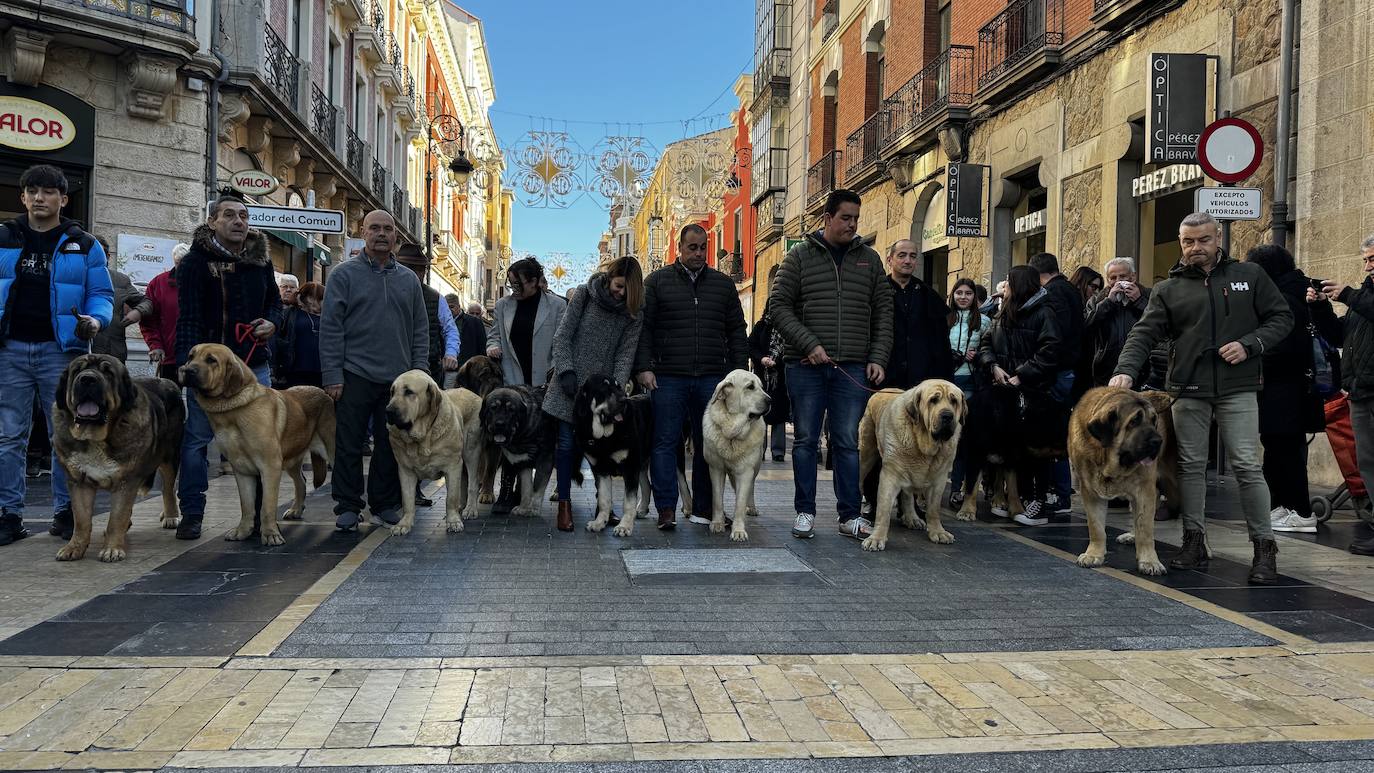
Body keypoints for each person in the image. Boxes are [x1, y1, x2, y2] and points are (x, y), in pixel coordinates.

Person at [1112, 212, 1293, 585]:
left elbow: (1281, 318)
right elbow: (1143, 333)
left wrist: (1249, 345)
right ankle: (1193, 541)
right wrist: (1126, 369)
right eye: (1187, 242)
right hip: (1187, 388)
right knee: (1191, 466)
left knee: (1246, 464)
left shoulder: (1249, 276)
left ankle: (1264, 547)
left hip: (1238, 385)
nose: (1195, 248)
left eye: (1203, 240)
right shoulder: (1168, 289)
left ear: (1217, 239)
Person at [0, 164, 114, 546]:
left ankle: (67, 512)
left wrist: (96, 321)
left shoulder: (83, 244)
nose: (39, 198)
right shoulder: (4, 237)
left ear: (63, 199)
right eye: (32, 191)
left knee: (63, 436)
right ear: (23, 197)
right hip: (9, 349)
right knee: (8, 436)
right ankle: (8, 514)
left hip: (61, 353)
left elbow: (101, 294)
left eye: (48, 192)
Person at [769, 189, 893, 540]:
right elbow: (778, 307)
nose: (852, 224)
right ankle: (804, 512)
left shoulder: (869, 260)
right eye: (845, 218)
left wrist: (878, 357)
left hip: (852, 366)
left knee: (847, 442)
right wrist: (809, 344)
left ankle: (849, 515)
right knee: (806, 440)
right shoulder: (799, 257)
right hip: (804, 366)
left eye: (856, 218)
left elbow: (884, 312)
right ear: (827, 218)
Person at [174, 193, 281, 540]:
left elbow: (275, 305)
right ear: (213, 222)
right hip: (207, 370)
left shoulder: (261, 261)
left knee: (262, 443)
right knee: (197, 441)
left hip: (253, 363)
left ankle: (258, 518)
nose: (239, 222)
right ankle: (191, 511)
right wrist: (183, 364)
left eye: (244, 216)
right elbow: (187, 316)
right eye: (230, 215)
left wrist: (271, 324)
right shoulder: (194, 263)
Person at [320, 210, 430, 531]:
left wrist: (419, 377)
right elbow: (330, 330)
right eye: (375, 228)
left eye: (388, 229)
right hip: (353, 374)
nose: (382, 234)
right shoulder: (343, 276)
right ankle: (348, 505)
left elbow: (419, 331)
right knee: (348, 443)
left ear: (396, 236)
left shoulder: (409, 280)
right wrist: (332, 376)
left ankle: (384, 504)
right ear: (363, 233)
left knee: (391, 445)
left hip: (398, 382)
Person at [636, 225, 749, 530]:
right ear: (680, 247)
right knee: (665, 442)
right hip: (668, 376)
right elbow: (643, 328)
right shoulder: (657, 282)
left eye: (703, 247)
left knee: (708, 445)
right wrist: (644, 367)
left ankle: (703, 509)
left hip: (712, 378)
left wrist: (740, 373)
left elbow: (737, 331)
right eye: (692, 248)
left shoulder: (723, 286)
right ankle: (666, 510)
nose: (698, 253)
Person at [1242, 245, 1341, 535]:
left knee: (1282, 452)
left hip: (1282, 390)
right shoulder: (1298, 290)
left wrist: (1251, 360)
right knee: (1284, 451)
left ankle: (1298, 511)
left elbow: (1281, 347)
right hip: (1296, 389)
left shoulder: (1283, 298)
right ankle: (1285, 508)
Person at [545, 256, 645, 531]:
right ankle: (564, 505)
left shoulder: (633, 313)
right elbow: (563, 336)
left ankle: (605, 508)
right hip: (572, 384)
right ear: (609, 277)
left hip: (605, 394)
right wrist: (565, 371)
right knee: (566, 445)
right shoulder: (585, 296)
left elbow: (626, 354)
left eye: (626, 289)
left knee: (603, 450)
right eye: (617, 285)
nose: (620, 293)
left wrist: (617, 391)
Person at [976, 265, 1064, 526]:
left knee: (1036, 449)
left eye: (1009, 281)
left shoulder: (1045, 312)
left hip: (1035, 392)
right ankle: (1012, 499)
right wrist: (993, 366)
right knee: (1011, 446)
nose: (1005, 286)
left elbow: (1051, 350)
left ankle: (1036, 501)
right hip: (1006, 392)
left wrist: (1022, 374)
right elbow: (985, 342)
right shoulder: (1004, 312)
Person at [1324, 235, 1374, 555]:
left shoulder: (1361, 297)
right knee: (1367, 462)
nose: (1369, 265)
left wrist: (1348, 294)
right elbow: (1338, 334)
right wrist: (1318, 309)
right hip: (1359, 391)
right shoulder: (1364, 295)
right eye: (1367, 260)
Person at [1028, 252, 1084, 519]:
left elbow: (1056, 336)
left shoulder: (1054, 293)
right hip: (1067, 369)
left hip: (1058, 372)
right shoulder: (1070, 290)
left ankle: (1060, 495)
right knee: (1056, 433)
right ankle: (1060, 493)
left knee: (1053, 436)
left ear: (1039, 275)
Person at [883, 239, 953, 391]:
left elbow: (941, 344)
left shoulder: (928, 294)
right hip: (886, 377)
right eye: (902, 255)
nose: (908, 261)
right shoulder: (878, 291)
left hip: (921, 380)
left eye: (913, 256)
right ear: (890, 260)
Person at [487, 257, 566, 388]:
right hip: (512, 384)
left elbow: (561, 343)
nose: (513, 289)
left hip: (545, 385)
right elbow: (494, 336)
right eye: (511, 284)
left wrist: (552, 374)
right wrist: (492, 347)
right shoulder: (502, 305)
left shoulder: (558, 305)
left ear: (533, 282)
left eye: (517, 284)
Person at [947, 278, 991, 509]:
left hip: (972, 383)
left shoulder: (984, 321)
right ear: (953, 295)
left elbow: (989, 348)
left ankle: (959, 487)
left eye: (968, 293)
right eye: (959, 293)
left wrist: (979, 356)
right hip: (948, 383)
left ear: (975, 297)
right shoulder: (945, 318)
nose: (963, 297)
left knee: (965, 440)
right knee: (948, 438)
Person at [1084, 258, 1154, 387]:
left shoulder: (1150, 296)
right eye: (1113, 278)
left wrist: (1139, 301)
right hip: (1106, 370)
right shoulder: (1096, 301)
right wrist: (1108, 302)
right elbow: (1087, 326)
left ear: (1133, 277)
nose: (1118, 281)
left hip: (1142, 368)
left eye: (1122, 276)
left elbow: (1158, 323)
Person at [395, 244, 458, 385]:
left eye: (421, 269)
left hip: (427, 369)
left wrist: (451, 354)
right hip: (394, 367)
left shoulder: (436, 298)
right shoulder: (388, 291)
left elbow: (450, 329)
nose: (419, 274)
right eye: (413, 269)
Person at [89, 237, 152, 363]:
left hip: (112, 353)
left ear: (107, 256)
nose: (94, 257)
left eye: (98, 253)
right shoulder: (76, 278)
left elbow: (147, 302)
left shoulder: (120, 280)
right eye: (90, 253)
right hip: (81, 350)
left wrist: (138, 312)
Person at [749, 276, 790, 463]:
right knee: (759, 413)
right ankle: (759, 449)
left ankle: (778, 451)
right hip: (762, 378)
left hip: (780, 378)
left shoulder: (788, 327)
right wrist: (762, 358)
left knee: (779, 415)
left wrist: (777, 361)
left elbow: (791, 349)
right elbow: (750, 346)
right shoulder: (761, 326)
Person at [140, 242, 190, 382]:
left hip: (198, 357)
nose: (182, 267)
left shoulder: (203, 282)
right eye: (178, 263)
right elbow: (149, 320)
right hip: (169, 357)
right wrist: (155, 346)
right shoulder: (158, 283)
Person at [273, 281, 325, 387]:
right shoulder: (290, 313)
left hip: (322, 371)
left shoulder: (328, 316)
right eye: (320, 298)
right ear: (309, 298)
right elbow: (277, 339)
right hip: (295, 370)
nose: (323, 302)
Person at [453, 298, 489, 371]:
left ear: (481, 314)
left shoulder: (488, 330)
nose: (474, 316)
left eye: (477, 313)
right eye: (472, 313)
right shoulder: (461, 326)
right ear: (467, 313)